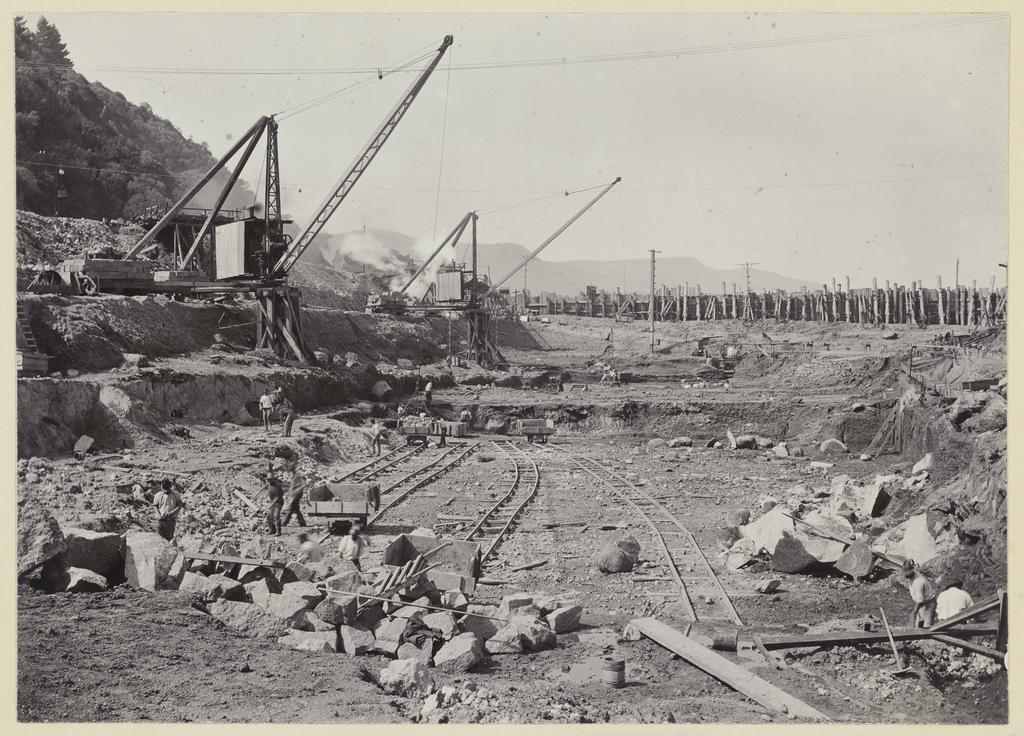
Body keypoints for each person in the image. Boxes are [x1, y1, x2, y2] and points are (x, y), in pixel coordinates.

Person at [904, 561, 937, 628]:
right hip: (921, 602)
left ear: (912, 570)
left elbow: (920, 600)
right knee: (917, 625)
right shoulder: (911, 577)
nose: (906, 574)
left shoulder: (918, 581)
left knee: (927, 626)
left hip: (929, 603)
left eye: (908, 572)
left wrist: (914, 612)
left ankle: (927, 636)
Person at [281, 458, 307, 528]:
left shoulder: (297, 475)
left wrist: (295, 492)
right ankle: (302, 523)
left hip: (297, 494)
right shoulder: (295, 475)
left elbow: (302, 485)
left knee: (290, 508)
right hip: (296, 493)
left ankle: (284, 523)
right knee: (296, 509)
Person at [265, 465, 284, 536]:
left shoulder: (277, 486)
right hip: (272, 501)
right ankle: (272, 530)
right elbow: (269, 494)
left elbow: (278, 497)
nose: (269, 481)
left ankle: (278, 531)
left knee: (276, 516)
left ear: (273, 479)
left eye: (270, 479)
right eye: (268, 480)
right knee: (269, 516)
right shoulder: (269, 484)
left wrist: (271, 504)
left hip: (279, 502)